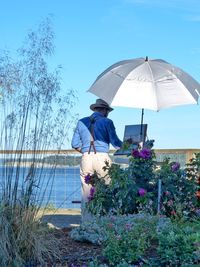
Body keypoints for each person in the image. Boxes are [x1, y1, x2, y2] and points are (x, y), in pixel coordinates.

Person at [71, 98, 122, 220]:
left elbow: (74, 144)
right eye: (108, 111)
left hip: (86, 158)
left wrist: (86, 151)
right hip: (102, 157)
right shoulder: (107, 122)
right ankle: (107, 220)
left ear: (95, 109)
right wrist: (132, 145)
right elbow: (116, 144)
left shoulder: (81, 122)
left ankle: (87, 222)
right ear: (104, 110)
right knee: (108, 188)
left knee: (86, 192)